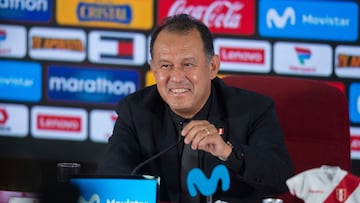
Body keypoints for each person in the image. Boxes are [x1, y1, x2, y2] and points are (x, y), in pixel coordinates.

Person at [97, 13, 294, 203]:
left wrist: (227, 151)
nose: (176, 77)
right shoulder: (135, 110)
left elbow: (281, 179)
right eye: (165, 65)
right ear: (154, 69)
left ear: (212, 67)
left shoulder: (254, 109)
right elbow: (111, 179)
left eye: (188, 64)